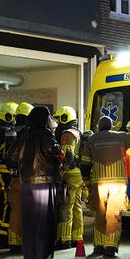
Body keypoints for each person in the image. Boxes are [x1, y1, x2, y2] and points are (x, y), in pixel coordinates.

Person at [8, 106, 63, 259]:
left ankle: (29, 257)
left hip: (26, 182)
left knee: (29, 220)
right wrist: (62, 156)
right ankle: (43, 258)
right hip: (44, 181)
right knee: (44, 220)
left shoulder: (24, 133)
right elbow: (55, 151)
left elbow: (11, 155)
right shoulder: (45, 133)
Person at [80, 116, 130, 258]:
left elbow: (84, 165)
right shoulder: (122, 137)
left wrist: (88, 184)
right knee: (113, 214)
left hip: (99, 182)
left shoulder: (91, 140)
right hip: (118, 183)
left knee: (99, 214)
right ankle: (111, 247)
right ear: (112, 127)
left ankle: (99, 246)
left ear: (98, 127)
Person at [53, 105, 84, 250]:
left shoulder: (67, 134)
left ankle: (64, 239)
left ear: (66, 118)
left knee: (66, 206)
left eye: (60, 119)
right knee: (77, 206)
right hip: (79, 174)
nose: (58, 123)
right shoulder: (78, 132)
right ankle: (77, 237)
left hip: (70, 174)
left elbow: (68, 156)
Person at [6, 102, 33, 253]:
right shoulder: (30, 134)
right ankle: (26, 241)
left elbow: (8, 157)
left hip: (13, 177)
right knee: (29, 210)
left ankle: (13, 241)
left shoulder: (11, 132)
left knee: (15, 209)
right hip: (28, 179)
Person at [0, 101, 17, 249]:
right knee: (8, 203)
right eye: (12, 116)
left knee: (2, 202)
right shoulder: (5, 132)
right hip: (5, 171)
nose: (14, 119)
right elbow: (6, 151)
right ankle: (3, 236)